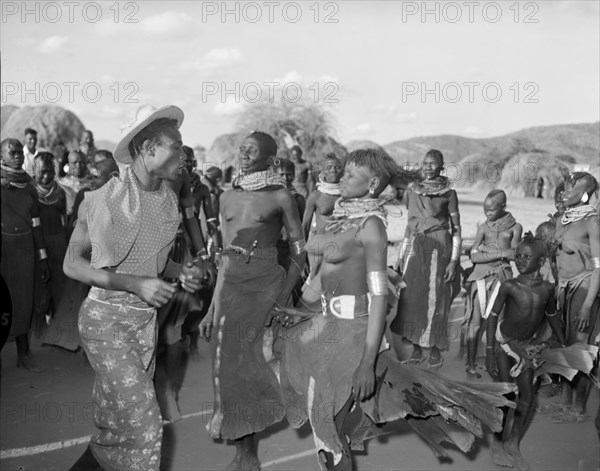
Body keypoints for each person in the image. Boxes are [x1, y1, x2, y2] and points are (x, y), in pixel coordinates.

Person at [272, 149, 516, 470]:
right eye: (343, 172)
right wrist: (303, 309)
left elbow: (377, 297)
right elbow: (321, 277)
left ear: (372, 183)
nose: (342, 178)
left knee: (328, 430)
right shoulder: (338, 219)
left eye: (350, 174)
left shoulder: (372, 226)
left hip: (355, 335)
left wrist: (366, 362)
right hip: (325, 328)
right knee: (324, 429)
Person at [65, 105, 203, 471]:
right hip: (105, 323)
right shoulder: (100, 201)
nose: (182, 154)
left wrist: (181, 271)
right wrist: (133, 283)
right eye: (174, 146)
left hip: (144, 325)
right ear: (146, 149)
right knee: (145, 425)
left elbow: (156, 265)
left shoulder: (169, 200)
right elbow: (71, 264)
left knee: (117, 429)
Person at [200, 131, 306, 471]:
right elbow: (225, 259)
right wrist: (210, 307)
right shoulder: (226, 196)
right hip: (230, 290)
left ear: (268, 159)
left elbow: (300, 250)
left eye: (252, 151)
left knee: (247, 366)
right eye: (242, 149)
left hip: (265, 287)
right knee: (226, 368)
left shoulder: (281, 196)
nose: (244, 155)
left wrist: (284, 295)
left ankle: (246, 455)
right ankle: (244, 445)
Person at [485, 233, 597, 470]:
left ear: (541, 260)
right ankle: (497, 442)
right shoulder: (509, 285)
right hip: (505, 343)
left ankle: (514, 443)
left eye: (527, 256)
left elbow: (551, 314)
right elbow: (493, 316)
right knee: (506, 395)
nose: (520, 259)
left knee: (526, 397)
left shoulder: (547, 289)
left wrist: (560, 339)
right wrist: (488, 350)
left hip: (529, 348)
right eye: (518, 255)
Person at [391, 149, 462, 369]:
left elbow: (457, 228)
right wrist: (401, 256)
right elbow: (409, 225)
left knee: (435, 298)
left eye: (434, 164)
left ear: (441, 167)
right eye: (426, 163)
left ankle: (434, 349)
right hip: (416, 244)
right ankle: (416, 347)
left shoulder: (449, 193)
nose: (428, 167)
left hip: (440, 247)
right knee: (412, 298)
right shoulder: (412, 191)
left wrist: (453, 260)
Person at [550, 172, 600, 423]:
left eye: (570, 190)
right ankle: (564, 402)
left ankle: (578, 409)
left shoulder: (592, 222)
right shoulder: (563, 219)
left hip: (583, 287)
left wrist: (588, 305)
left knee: (579, 348)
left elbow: (599, 266)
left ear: (583, 195)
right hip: (563, 287)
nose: (563, 193)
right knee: (565, 345)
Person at [1, 138, 50, 371]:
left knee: (23, 302)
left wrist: (42, 258)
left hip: (26, 249)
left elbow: (36, 223)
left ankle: (24, 354)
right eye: (12, 152)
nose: (18, 155)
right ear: (2, 156)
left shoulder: (29, 184)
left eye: (20, 151)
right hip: (3, 248)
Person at [464, 190, 522, 379]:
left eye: (491, 210)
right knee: (475, 322)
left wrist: (486, 251)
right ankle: (471, 365)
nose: (487, 213)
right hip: (480, 276)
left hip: (502, 278)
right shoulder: (483, 228)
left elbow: (514, 255)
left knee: (497, 323)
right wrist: (500, 253)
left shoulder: (515, 228)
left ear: (503, 206)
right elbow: (473, 256)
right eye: (485, 210)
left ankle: (498, 364)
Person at [31, 152, 68, 338]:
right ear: (34, 170)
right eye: (42, 172)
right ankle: (39, 332)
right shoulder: (30, 192)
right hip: (39, 245)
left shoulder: (60, 192)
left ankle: (56, 331)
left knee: (59, 287)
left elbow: (64, 220)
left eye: (50, 172)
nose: (46, 177)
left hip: (59, 244)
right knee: (41, 287)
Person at [300, 154, 344, 303]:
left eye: (337, 167)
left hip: (342, 246)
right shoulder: (316, 196)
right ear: (322, 171)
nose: (333, 170)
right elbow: (305, 226)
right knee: (315, 282)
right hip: (319, 246)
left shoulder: (348, 196)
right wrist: (301, 255)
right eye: (329, 167)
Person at [58, 149, 88, 219]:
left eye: (81, 162)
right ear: (68, 164)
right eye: (75, 162)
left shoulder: (92, 183)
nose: (78, 165)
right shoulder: (62, 184)